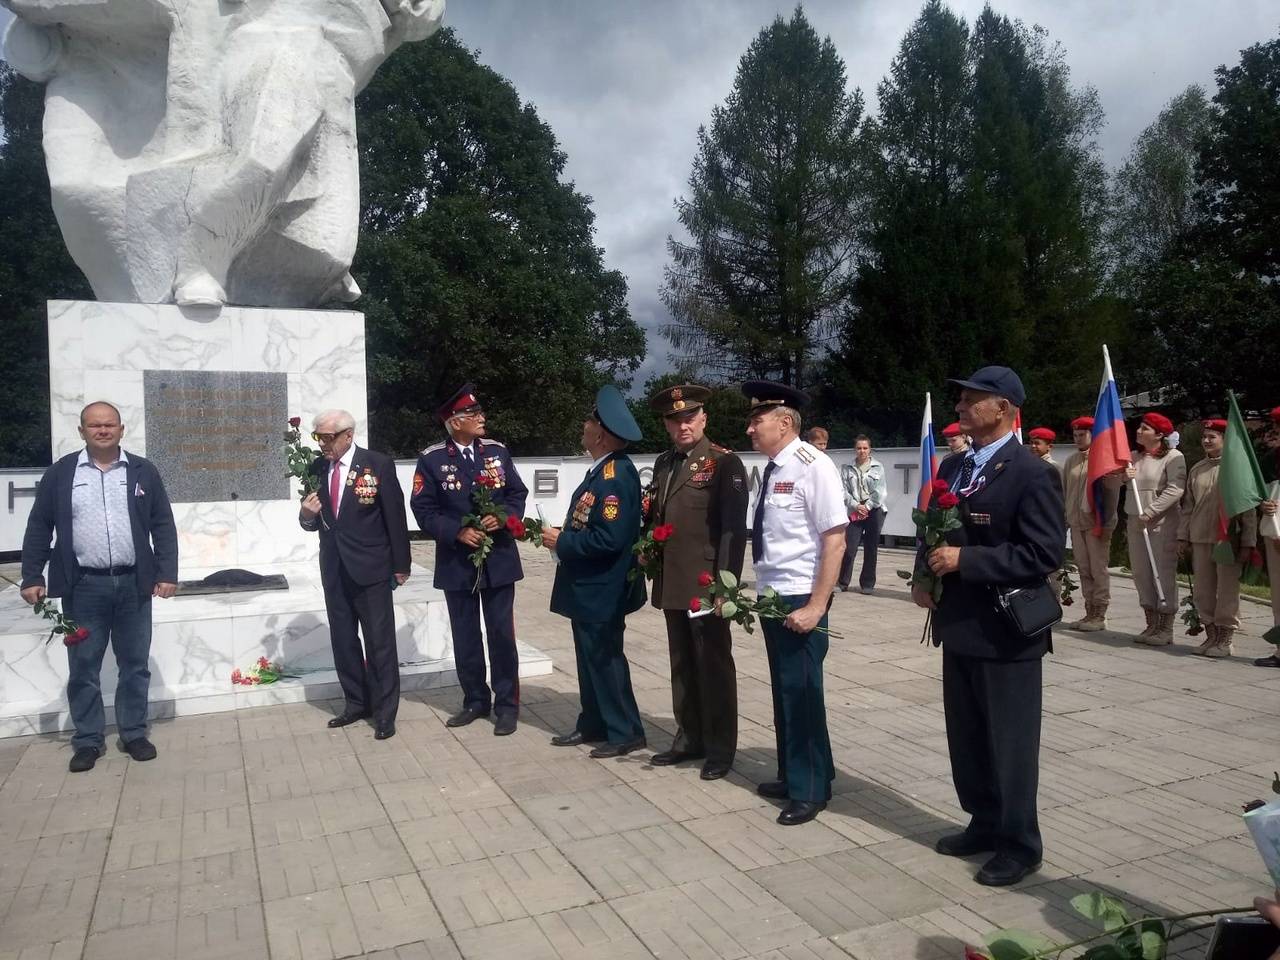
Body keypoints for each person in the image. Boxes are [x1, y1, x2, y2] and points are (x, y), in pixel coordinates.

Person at [914, 366, 1064, 887]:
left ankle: (1020, 843)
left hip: (1006, 631)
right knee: (969, 736)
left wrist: (967, 561)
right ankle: (984, 821)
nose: (960, 406)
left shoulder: (1031, 472)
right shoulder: (954, 466)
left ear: (1003, 407)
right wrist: (924, 576)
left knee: (1011, 743)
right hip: (959, 623)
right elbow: (934, 527)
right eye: (959, 398)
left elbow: (1043, 552)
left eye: (971, 399)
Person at [20, 401, 179, 773]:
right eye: (95, 425)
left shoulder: (142, 471)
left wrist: (167, 573)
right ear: (82, 431)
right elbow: (39, 526)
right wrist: (32, 575)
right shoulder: (62, 473)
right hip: (83, 586)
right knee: (84, 666)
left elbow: (162, 524)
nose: (103, 430)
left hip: (134, 584)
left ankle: (133, 733)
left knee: (135, 664)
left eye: (109, 424)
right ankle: (88, 740)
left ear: (122, 429)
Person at [743, 380, 846, 826]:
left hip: (801, 595)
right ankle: (796, 773)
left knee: (802, 692)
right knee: (785, 691)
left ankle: (810, 790)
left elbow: (835, 541)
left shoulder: (812, 465)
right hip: (773, 593)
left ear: (785, 422)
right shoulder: (774, 468)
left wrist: (817, 605)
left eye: (757, 420)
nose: (750, 429)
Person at [411, 385, 529, 736]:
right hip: (457, 563)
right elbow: (423, 510)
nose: (482, 418)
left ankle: (507, 705)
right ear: (454, 422)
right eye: (473, 414)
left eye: (479, 412)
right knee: (465, 636)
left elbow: (516, 493)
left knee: (501, 635)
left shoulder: (496, 451)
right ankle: (475, 700)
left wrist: (503, 516)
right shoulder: (432, 459)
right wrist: (457, 532)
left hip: (498, 560)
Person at [646, 384, 748, 780]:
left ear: (704, 418)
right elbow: (656, 516)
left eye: (689, 417)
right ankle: (689, 737)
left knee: (713, 666)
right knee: (682, 664)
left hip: (706, 585)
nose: (683, 425)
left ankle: (720, 748)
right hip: (673, 580)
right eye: (674, 420)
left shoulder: (724, 462)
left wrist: (726, 586)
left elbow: (732, 531)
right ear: (666, 425)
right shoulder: (664, 463)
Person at [542, 385, 648, 757]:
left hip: (602, 588)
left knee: (605, 661)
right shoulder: (603, 471)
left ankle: (624, 731)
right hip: (590, 587)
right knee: (590, 661)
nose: (583, 427)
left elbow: (610, 539)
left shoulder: (614, 476)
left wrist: (562, 542)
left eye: (589, 421)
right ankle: (594, 723)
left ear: (600, 434)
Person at [299, 409, 410, 739]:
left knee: (379, 643)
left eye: (327, 437)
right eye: (318, 437)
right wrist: (305, 515)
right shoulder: (317, 468)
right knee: (344, 640)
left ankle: (385, 713)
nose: (322, 444)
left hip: (370, 568)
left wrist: (401, 565)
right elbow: (314, 521)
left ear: (348, 435)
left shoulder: (377, 464)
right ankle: (356, 703)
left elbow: (394, 516)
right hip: (335, 569)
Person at [1178, 419, 1258, 659]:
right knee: (1203, 590)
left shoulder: (1237, 468)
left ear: (1225, 439)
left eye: (1212, 436)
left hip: (1228, 540)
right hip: (1201, 536)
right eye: (1204, 436)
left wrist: (1248, 542)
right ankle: (1211, 635)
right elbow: (1188, 507)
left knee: (1226, 590)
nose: (1206, 440)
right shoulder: (1198, 468)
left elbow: (1248, 509)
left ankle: (1225, 639)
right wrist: (1183, 536)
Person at [1125, 412, 1186, 646]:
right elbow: (1114, 482)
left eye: (1145, 428)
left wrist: (1151, 512)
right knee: (1141, 573)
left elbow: (1175, 489)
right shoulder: (1133, 457)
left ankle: (1165, 627)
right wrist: (1123, 476)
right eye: (1140, 427)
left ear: (1159, 434)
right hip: (1135, 522)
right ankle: (1151, 623)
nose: (1139, 431)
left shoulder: (1173, 457)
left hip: (1161, 523)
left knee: (1162, 572)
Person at [1061, 416, 1123, 632]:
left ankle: (1100, 613)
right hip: (1076, 521)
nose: (1078, 439)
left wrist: (1106, 521)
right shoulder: (1071, 460)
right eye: (1075, 435)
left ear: (1093, 434)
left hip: (1097, 523)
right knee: (1084, 568)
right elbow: (1065, 492)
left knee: (1098, 569)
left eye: (1082, 434)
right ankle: (1089, 611)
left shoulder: (1104, 459)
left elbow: (1112, 491)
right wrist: (1066, 518)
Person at [838, 435, 887, 595]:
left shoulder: (878, 467)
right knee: (849, 548)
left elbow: (880, 492)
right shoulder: (846, 468)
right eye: (859, 448)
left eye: (865, 448)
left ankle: (867, 584)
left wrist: (867, 506)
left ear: (870, 449)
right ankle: (842, 582)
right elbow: (843, 491)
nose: (862, 451)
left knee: (871, 548)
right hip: (854, 511)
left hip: (874, 510)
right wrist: (856, 505)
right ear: (855, 449)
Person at [1258, 406, 1280, 668]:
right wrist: (1263, 504)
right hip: (1275, 533)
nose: (1275, 432)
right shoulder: (1271, 460)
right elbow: (1259, 492)